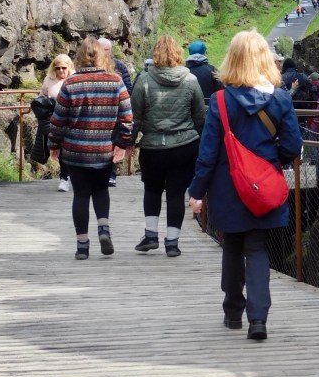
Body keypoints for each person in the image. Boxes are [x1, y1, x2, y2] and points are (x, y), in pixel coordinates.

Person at [188, 29, 302, 341]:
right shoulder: (280, 98)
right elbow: (292, 145)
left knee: (232, 244)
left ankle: (232, 310)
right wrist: (270, 163)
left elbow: (208, 152)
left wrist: (196, 192)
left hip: (227, 186)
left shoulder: (221, 101)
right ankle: (258, 319)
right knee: (257, 247)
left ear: (233, 59)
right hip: (263, 186)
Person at [49, 37, 133, 260]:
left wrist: (54, 144)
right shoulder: (115, 81)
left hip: (75, 150)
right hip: (104, 149)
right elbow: (127, 118)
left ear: (79, 57)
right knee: (101, 189)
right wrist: (122, 144)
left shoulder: (70, 83)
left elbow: (58, 120)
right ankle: (103, 228)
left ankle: (82, 246)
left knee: (81, 194)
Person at [131, 36, 206, 257]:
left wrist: (128, 143)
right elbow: (199, 117)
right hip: (184, 146)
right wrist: (203, 144)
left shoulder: (144, 80)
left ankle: (151, 235)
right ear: (178, 53)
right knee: (176, 193)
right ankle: (172, 243)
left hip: (152, 147)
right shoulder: (190, 80)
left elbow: (135, 117)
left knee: (152, 190)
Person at [97, 37, 133, 187]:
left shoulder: (119, 66)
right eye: (101, 49)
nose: (104, 53)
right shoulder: (90, 66)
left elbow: (128, 88)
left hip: (115, 112)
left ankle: (111, 174)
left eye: (106, 50)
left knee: (113, 143)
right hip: (96, 111)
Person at [39, 54, 75, 191]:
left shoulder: (74, 79)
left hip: (71, 119)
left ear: (69, 67)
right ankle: (64, 178)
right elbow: (42, 96)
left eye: (64, 68)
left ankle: (72, 176)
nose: (60, 71)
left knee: (70, 149)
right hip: (54, 119)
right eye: (58, 68)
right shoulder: (49, 79)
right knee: (59, 148)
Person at [185, 40, 224, 106]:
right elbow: (221, 91)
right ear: (204, 53)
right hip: (209, 108)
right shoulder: (212, 70)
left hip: (188, 109)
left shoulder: (183, 71)